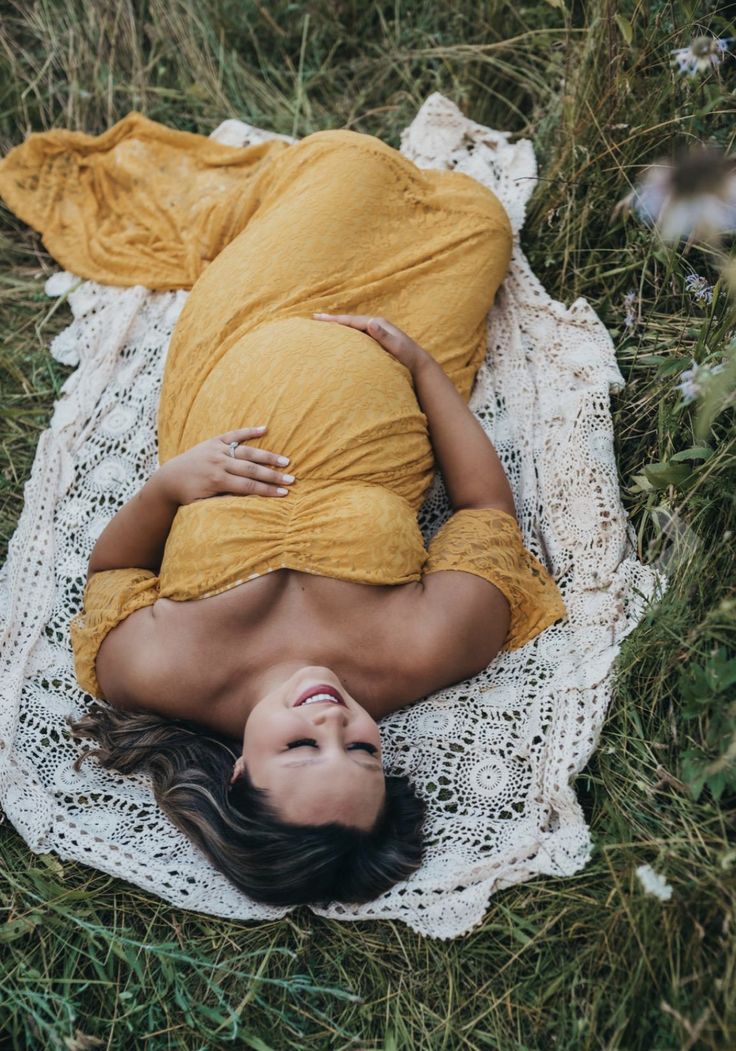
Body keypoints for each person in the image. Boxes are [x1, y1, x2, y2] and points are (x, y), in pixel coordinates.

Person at [0, 117, 565, 907]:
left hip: (239, 341)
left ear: (238, 772)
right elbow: (483, 508)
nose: (330, 717)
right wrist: (418, 363)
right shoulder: (430, 646)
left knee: (348, 164)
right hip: (388, 355)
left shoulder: (156, 672)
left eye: (302, 746)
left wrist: (171, 486)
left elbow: (114, 568)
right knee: (478, 220)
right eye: (362, 750)